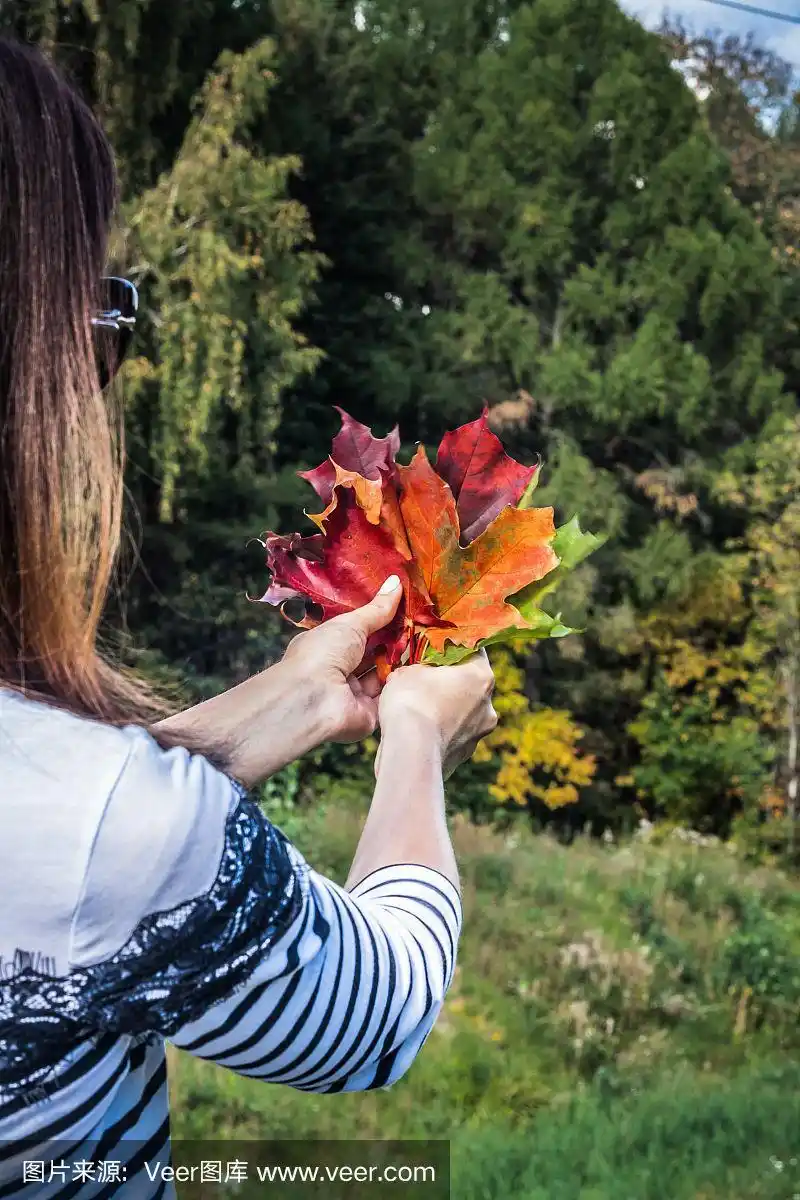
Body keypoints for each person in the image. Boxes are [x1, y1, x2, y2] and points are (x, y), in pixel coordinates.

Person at [0, 35, 497, 1197]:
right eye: (102, 322)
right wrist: (415, 736)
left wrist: (281, 703)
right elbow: (379, 1012)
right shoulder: (87, 824)